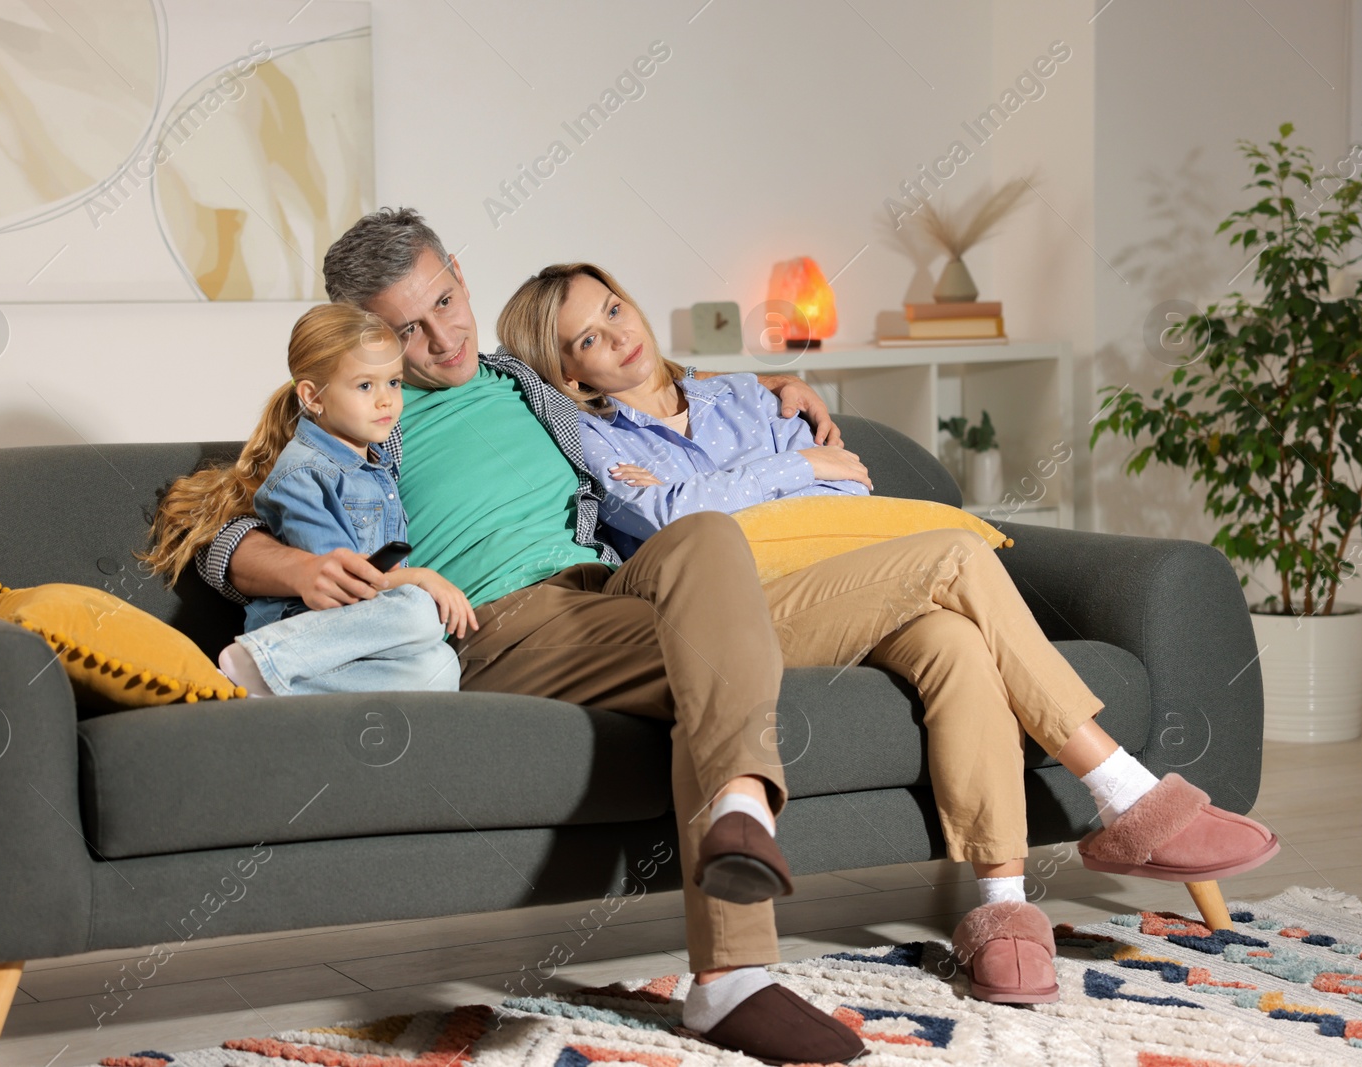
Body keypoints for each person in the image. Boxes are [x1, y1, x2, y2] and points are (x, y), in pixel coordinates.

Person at [496, 260, 1284, 1006]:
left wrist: (759, 472)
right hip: (742, 611)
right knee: (955, 553)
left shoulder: (744, 393)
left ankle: (1003, 912)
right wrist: (797, 467)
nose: (616, 332)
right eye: (587, 339)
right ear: (572, 374)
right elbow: (678, 517)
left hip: (849, 579)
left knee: (956, 642)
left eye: (611, 308)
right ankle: (1127, 796)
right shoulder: (597, 440)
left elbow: (846, 485)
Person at [195, 208, 872, 1065]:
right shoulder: (356, 408)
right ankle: (733, 972)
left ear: (462, 277)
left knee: (705, 538)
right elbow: (218, 536)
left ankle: (739, 808)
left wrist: (772, 388)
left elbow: (641, 380)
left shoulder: (519, 376)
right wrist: (294, 570)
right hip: (505, 622)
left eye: (447, 299)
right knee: (715, 666)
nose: (443, 337)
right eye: (408, 330)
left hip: (604, 584)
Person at [141, 303, 472, 696]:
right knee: (420, 610)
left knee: (441, 667)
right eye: (366, 386)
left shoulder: (375, 466)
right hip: (311, 625)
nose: (386, 401)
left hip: (356, 632)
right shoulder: (304, 473)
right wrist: (419, 577)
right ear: (313, 397)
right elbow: (341, 578)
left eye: (394, 383)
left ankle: (269, 687)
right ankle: (262, 657)